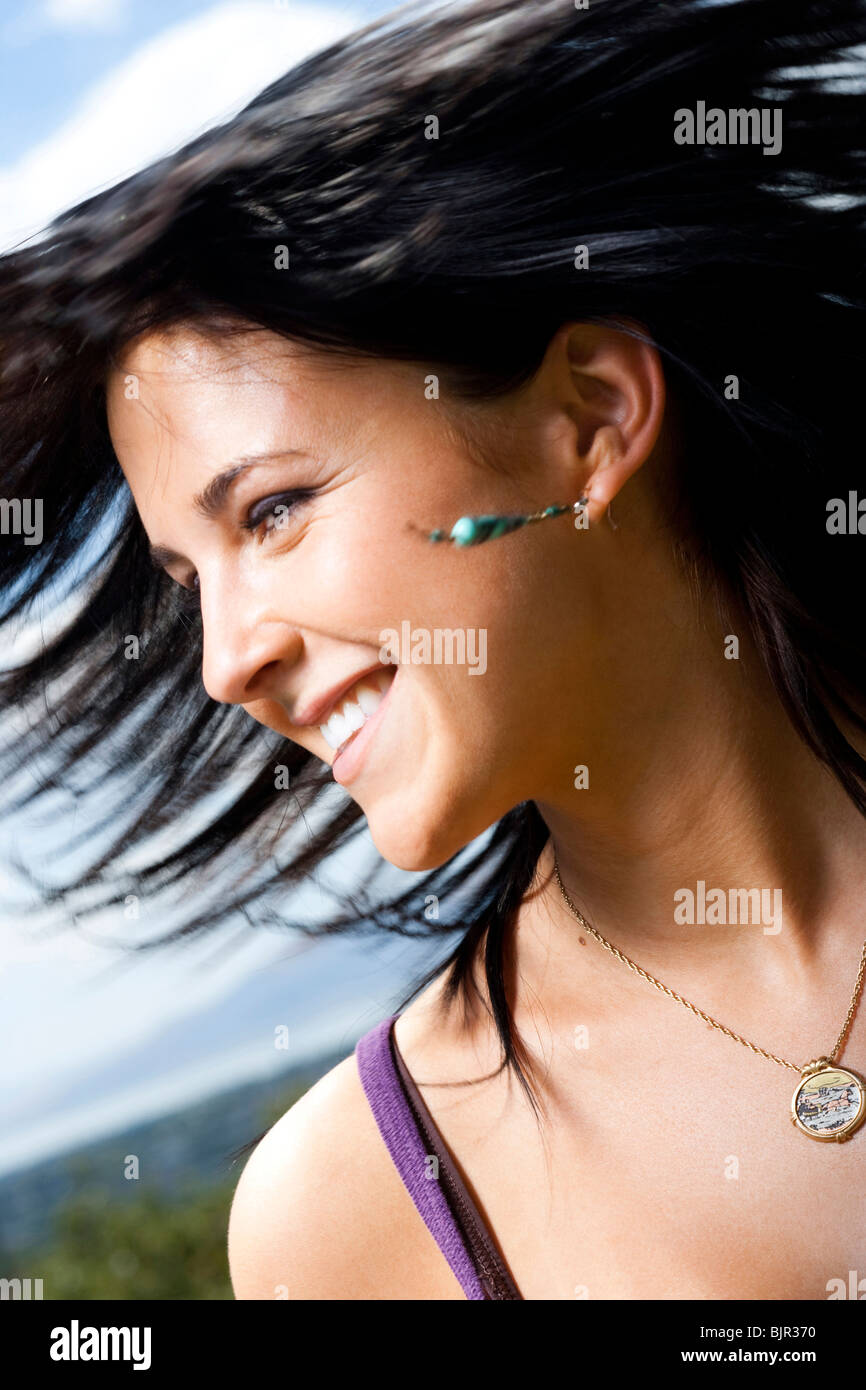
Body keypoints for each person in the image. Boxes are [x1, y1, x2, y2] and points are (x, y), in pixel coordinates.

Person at [1, 0, 865, 1300]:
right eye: (191, 584)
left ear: (589, 418)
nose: (224, 661)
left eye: (273, 510)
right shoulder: (354, 1215)